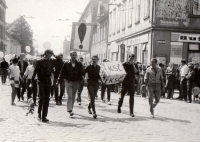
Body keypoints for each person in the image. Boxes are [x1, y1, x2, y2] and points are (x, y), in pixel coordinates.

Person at [32, 49, 56, 122]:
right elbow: (35, 71)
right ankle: (39, 114)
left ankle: (44, 116)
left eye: (51, 54)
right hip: (40, 80)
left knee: (47, 99)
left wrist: (54, 55)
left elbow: (56, 67)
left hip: (48, 81)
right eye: (48, 53)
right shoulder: (40, 61)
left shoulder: (51, 62)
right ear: (45, 53)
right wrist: (32, 81)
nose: (49, 55)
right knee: (42, 98)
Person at [63, 51, 83, 116]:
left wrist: (81, 79)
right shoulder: (66, 64)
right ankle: (69, 110)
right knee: (70, 95)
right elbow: (63, 73)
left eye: (75, 55)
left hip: (75, 82)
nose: (74, 56)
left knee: (73, 96)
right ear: (70, 56)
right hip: (68, 81)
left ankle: (71, 108)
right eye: (73, 55)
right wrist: (66, 79)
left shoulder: (79, 64)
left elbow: (81, 72)